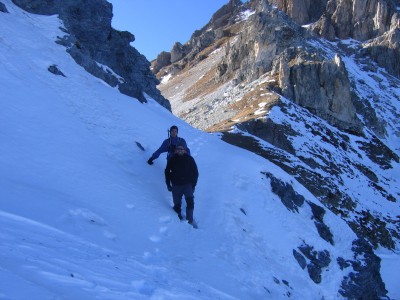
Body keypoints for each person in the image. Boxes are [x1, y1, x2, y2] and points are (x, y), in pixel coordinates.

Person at [165, 144, 198, 225]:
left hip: (187, 185)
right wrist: (168, 184)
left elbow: (195, 173)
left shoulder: (190, 159)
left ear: (185, 150)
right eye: (178, 149)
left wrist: (193, 185)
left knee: (190, 203)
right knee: (177, 205)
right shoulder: (172, 159)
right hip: (176, 185)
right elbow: (167, 172)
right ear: (176, 150)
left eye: (182, 149)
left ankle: (190, 220)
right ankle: (178, 219)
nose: (180, 150)